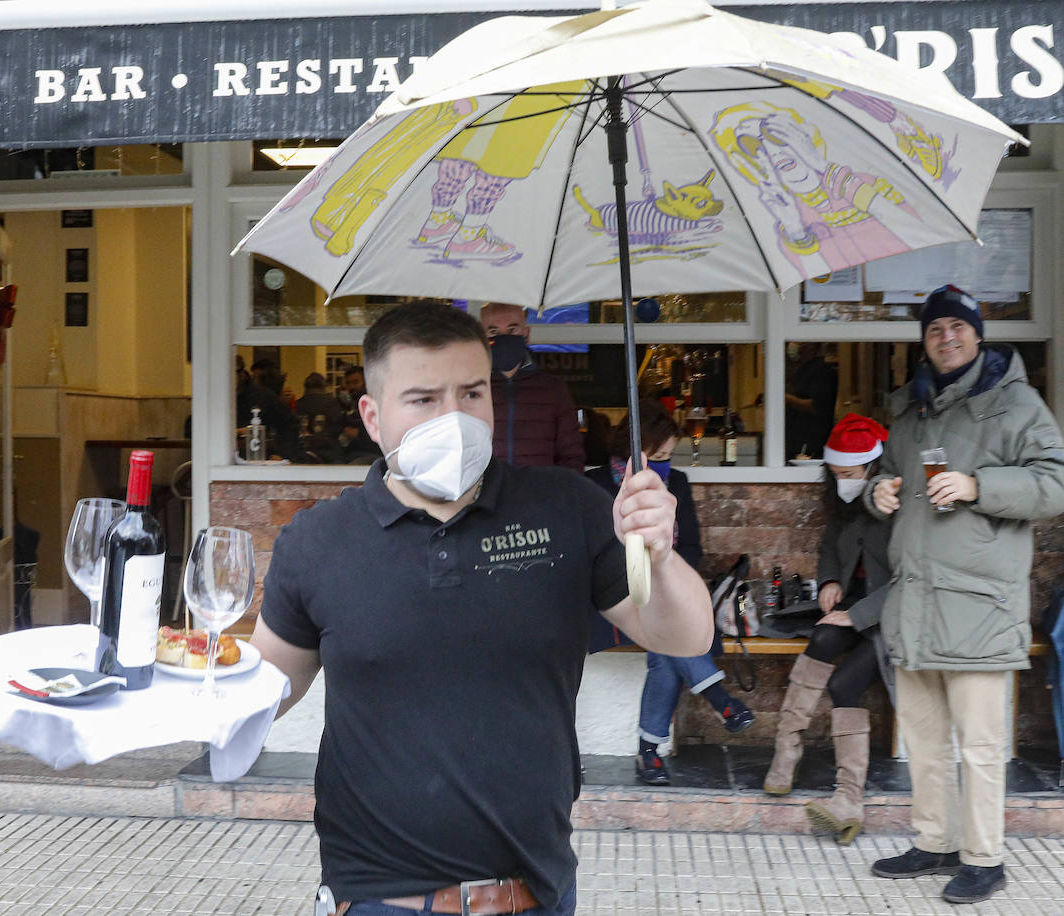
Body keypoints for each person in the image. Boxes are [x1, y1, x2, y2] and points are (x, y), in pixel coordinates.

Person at [251, 301, 713, 915]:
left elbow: (683, 636)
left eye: (471, 393)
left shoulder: (566, 508)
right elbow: (260, 694)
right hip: (378, 900)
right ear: (372, 416)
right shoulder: (318, 540)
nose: (454, 417)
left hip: (532, 894)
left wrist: (659, 554)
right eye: (423, 399)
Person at [865, 285, 1064, 905]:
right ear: (924, 341)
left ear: (978, 335)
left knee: (980, 747)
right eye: (934, 329)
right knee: (923, 738)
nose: (946, 337)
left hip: (978, 606)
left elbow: (1055, 484)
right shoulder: (912, 413)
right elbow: (883, 477)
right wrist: (879, 493)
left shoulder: (1019, 404)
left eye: (957, 326)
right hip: (917, 604)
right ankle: (935, 840)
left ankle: (984, 857)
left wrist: (979, 485)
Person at [586, 399, 753, 786]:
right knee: (668, 640)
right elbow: (591, 554)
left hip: (660, 590)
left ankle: (650, 753)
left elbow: (691, 548)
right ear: (632, 451)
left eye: (668, 456)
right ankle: (718, 700)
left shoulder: (675, 482)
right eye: (656, 456)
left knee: (666, 647)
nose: (664, 464)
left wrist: (664, 566)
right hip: (612, 601)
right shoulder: (593, 484)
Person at [762, 413, 893, 846]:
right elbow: (830, 544)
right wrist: (831, 580)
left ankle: (849, 799)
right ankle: (787, 750)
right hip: (853, 602)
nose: (843, 482)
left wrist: (857, 617)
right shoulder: (844, 499)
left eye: (850, 474)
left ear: (872, 468)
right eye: (835, 474)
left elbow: (910, 580)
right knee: (820, 637)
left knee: (844, 684)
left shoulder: (897, 499)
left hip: (893, 616)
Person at [479, 302, 585, 471]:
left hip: (539, 493)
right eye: (493, 331)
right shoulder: (471, 389)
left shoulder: (552, 389)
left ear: (526, 334)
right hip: (485, 494)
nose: (504, 337)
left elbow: (571, 455)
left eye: (512, 330)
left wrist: (561, 494)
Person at [786, 342, 838, 460]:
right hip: (797, 440)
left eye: (799, 342)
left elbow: (818, 406)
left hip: (811, 443)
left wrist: (788, 399)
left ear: (811, 345)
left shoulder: (822, 371)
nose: (793, 345)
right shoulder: (803, 369)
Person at [295, 372, 348, 463]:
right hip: (330, 453)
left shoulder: (298, 405)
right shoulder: (333, 403)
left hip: (303, 451)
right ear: (324, 386)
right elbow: (339, 428)